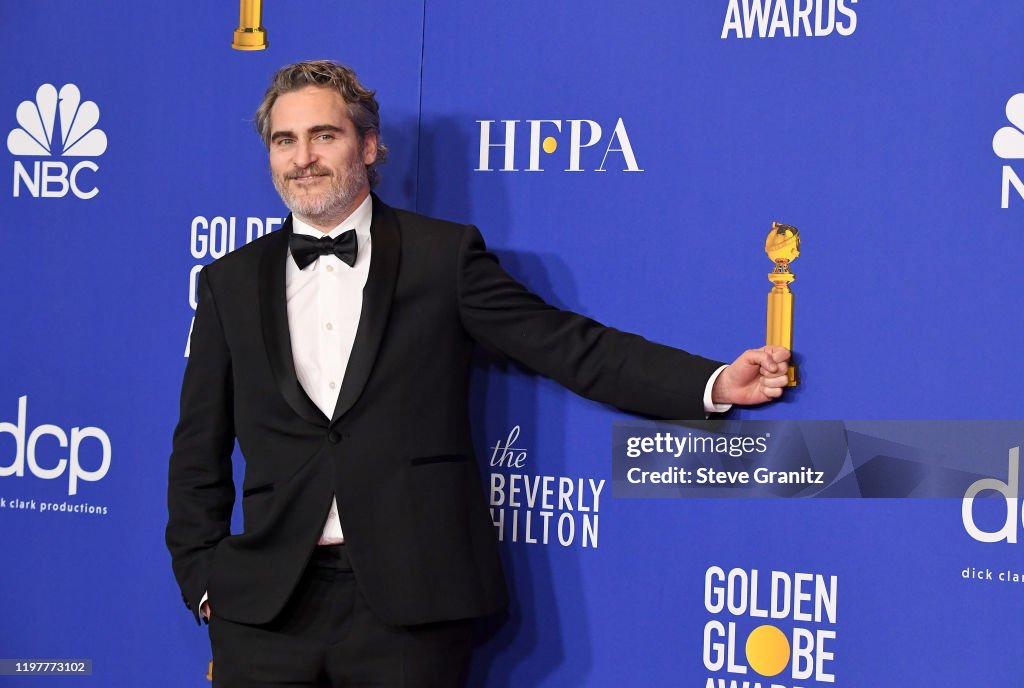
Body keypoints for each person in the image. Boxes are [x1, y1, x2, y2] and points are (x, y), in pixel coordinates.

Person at [166, 60, 791, 688]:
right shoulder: (230, 282)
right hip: (264, 610)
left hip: (412, 608)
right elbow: (199, 449)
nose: (303, 157)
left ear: (369, 144)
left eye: (324, 135)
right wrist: (203, 580)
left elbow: (569, 346)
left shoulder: (443, 256)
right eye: (285, 140)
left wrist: (707, 382)